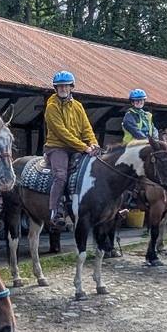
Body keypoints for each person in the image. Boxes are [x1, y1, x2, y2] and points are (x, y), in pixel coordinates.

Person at [44, 70, 100, 224]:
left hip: (77, 147)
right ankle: (55, 211)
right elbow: (62, 133)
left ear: (71, 87)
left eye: (66, 86)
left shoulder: (78, 106)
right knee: (61, 176)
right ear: (56, 88)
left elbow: (86, 128)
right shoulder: (51, 107)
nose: (63, 88)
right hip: (57, 147)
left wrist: (93, 143)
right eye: (60, 86)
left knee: (96, 169)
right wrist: (84, 147)